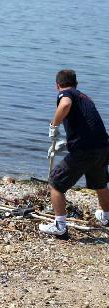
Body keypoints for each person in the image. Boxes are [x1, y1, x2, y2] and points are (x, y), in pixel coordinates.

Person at [39, 69, 109, 239]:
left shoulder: (66, 94)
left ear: (57, 85)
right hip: (103, 147)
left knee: (55, 183)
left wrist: (53, 126)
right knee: (100, 184)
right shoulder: (84, 97)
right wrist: (65, 144)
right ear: (76, 83)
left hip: (85, 150)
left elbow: (65, 105)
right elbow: (87, 126)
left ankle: (60, 226)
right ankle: (107, 217)